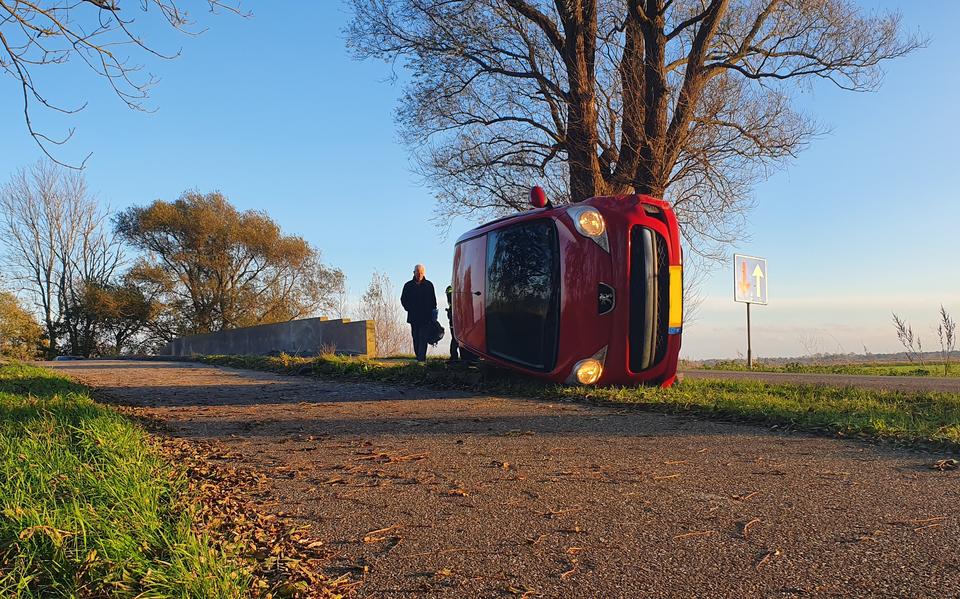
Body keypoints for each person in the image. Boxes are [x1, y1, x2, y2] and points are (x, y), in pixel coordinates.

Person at [400, 264, 437, 362]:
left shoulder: (429, 285)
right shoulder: (408, 285)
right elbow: (403, 299)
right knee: (416, 337)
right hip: (414, 317)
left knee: (423, 338)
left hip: (426, 317)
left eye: (421, 273)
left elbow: (433, 301)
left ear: (424, 273)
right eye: (418, 273)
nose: (420, 275)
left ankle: (421, 359)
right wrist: (409, 308)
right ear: (414, 273)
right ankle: (418, 356)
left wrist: (433, 314)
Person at [445, 284, 459, 360]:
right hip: (454, 316)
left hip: (454, 316)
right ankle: (454, 356)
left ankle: (454, 356)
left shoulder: (452, 289)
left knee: (455, 338)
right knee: (455, 337)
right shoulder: (452, 289)